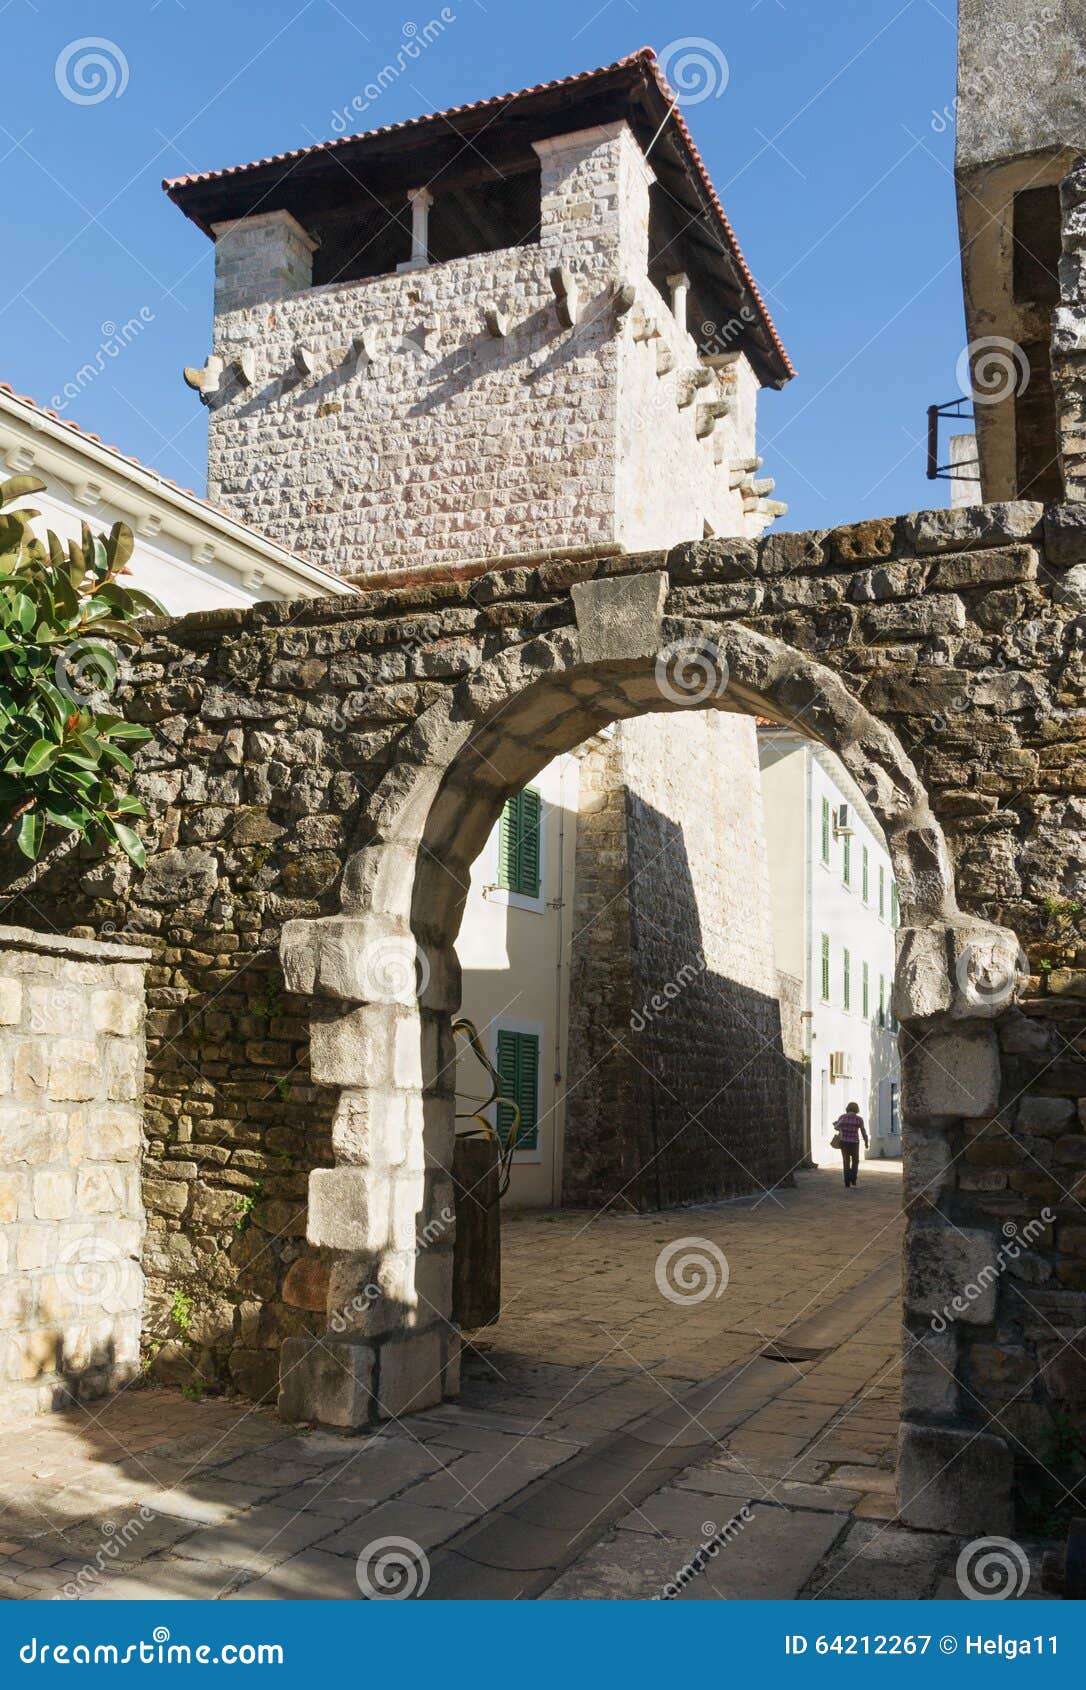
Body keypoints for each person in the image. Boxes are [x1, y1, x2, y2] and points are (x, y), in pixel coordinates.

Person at [834, 1100, 869, 1188]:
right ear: (856, 1109)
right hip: (854, 1143)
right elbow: (863, 1131)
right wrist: (866, 1141)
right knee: (855, 1161)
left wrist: (838, 1125)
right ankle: (853, 1178)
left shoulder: (842, 1117)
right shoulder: (859, 1119)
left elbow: (836, 1127)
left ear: (848, 1108)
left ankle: (847, 1182)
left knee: (846, 1161)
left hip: (844, 1142)